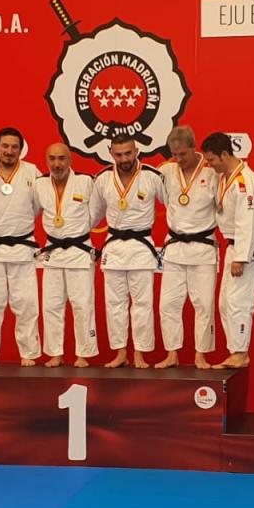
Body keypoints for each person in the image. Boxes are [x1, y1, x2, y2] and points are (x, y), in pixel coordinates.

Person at [91, 134, 164, 368]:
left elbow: (174, 206)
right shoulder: (102, 179)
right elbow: (92, 215)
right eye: (119, 154)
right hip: (114, 247)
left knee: (143, 304)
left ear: (137, 151)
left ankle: (140, 353)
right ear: (111, 153)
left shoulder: (152, 176)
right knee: (115, 304)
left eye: (128, 153)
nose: (124, 159)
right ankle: (121, 352)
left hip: (141, 247)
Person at [201, 133, 254, 370]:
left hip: (250, 249)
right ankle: (236, 351)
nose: (209, 165)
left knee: (238, 301)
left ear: (224, 154)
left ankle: (241, 353)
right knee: (225, 303)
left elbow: (248, 222)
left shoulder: (244, 182)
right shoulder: (225, 176)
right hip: (234, 246)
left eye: (212, 160)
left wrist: (242, 257)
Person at [0, 128, 43, 367]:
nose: (9, 151)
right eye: (5, 146)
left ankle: (29, 352)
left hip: (22, 247)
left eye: (14, 147)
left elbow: (40, 204)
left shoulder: (31, 172)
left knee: (26, 303)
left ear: (21, 149)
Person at [155, 127, 220, 369]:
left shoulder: (212, 173)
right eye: (174, 154)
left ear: (194, 148)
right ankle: (172, 354)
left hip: (203, 248)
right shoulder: (165, 171)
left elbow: (221, 207)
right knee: (168, 305)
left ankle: (200, 355)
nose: (179, 159)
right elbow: (165, 200)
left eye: (183, 154)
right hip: (175, 247)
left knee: (203, 305)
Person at [34, 144, 99, 368]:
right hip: (53, 251)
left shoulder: (86, 182)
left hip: (79, 251)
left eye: (61, 158)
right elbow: (31, 211)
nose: (57, 164)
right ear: (46, 160)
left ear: (70, 160)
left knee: (82, 305)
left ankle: (84, 353)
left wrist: (80, 230)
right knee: (51, 305)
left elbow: (97, 210)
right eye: (52, 159)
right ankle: (55, 353)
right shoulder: (39, 184)